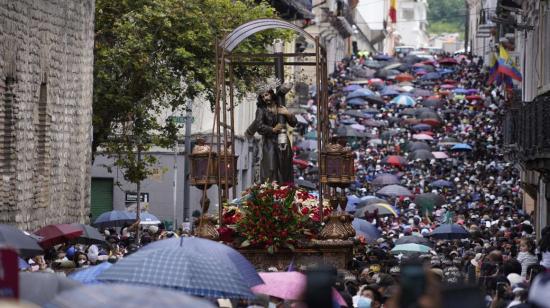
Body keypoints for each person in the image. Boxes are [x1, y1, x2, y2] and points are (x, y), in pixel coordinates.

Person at [248, 84, 297, 183]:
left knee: (284, 166)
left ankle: (286, 190)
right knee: (270, 167)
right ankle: (270, 190)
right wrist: (273, 129)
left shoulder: (280, 106)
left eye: (266, 95)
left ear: (271, 94)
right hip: (269, 143)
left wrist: (287, 114)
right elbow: (259, 126)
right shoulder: (261, 110)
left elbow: (293, 123)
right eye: (262, 97)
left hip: (283, 141)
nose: (265, 98)